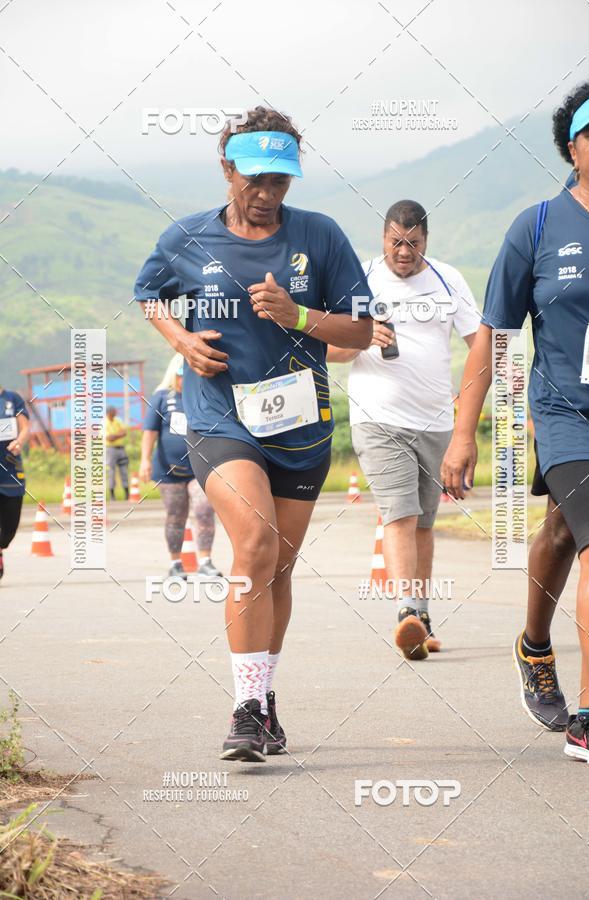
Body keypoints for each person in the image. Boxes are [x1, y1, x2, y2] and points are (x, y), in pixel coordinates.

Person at [134, 106, 372, 761]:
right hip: (219, 418)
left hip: (299, 426)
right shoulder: (188, 237)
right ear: (226, 169)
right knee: (257, 544)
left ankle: (264, 700)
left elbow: (361, 330)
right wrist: (181, 340)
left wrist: (300, 315)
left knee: (276, 567)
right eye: (254, 180)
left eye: (281, 181)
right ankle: (244, 710)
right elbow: (149, 293)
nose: (267, 194)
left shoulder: (319, 237)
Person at [442, 74, 589, 760]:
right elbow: (493, 335)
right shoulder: (536, 227)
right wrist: (462, 435)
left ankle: (534, 643)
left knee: (565, 533)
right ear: (573, 148)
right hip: (568, 416)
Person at [328, 200, 480, 659]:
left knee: (425, 524)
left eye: (413, 243)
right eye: (396, 241)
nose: (404, 251)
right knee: (399, 513)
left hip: (436, 420)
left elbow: (481, 345)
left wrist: (466, 426)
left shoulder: (449, 280)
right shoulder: (362, 280)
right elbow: (328, 347)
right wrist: (361, 338)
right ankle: (405, 612)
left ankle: (422, 617)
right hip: (378, 417)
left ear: (426, 241)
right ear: (383, 238)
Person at [140, 354, 221, 579]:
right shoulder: (161, 398)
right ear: (173, 375)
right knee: (176, 515)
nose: (185, 380)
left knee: (204, 509)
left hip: (200, 468)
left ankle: (205, 561)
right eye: (182, 375)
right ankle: (175, 563)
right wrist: (145, 460)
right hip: (169, 470)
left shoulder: (204, 397)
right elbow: (149, 432)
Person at [0, 386, 30, 582]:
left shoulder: (12, 398)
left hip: (10, 468)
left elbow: (25, 427)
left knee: (11, 524)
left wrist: (19, 441)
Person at [105, 407, 129, 501]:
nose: (116, 412)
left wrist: (115, 436)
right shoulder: (104, 423)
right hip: (110, 450)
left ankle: (127, 494)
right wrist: (119, 434)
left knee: (124, 470)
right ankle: (112, 495)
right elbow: (109, 438)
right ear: (109, 413)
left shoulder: (118, 420)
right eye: (114, 411)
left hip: (121, 449)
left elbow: (124, 432)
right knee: (111, 471)